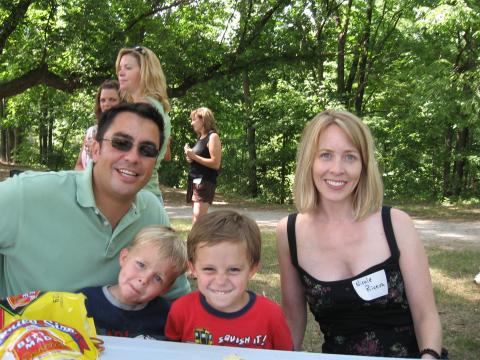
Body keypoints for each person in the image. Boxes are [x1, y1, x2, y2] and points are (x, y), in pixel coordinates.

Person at [276, 110, 444, 358]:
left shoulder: (396, 224)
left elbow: (425, 314)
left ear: (364, 165)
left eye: (350, 157)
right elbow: (293, 318)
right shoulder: (289, 233)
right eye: (325, 155)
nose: (337, 169)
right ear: (309, 161)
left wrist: (429, 356)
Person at [0, 103, 190, 301]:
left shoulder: (152, 213)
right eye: (121, 143)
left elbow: (176, 301)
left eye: (147, 150)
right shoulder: (26, 194)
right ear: (96, 149)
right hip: (25, 329)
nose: (133, 157)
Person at [165, 210, 293, 351]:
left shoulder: (271, 315)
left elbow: (287, 356)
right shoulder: (181, 311)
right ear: (193, 268)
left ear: (252, 269)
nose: (221, 281)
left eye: (233, 270)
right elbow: (169, 353)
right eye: (209, 269)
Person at [80, 225, 187, 339]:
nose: (144, 280)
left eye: (157, 278)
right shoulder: (84, 302)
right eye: (141, 265)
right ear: (124, 258)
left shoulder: (165, 315)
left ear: (165, 288)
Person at [116, 46, 172, 204]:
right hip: (146, 194)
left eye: (128, 68)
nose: (120, 72)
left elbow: (133, 157)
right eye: (120, 68)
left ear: (145, 72)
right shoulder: (152, 104)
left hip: (139, 197)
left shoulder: (146, 107)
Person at [184, 107, 221, 223]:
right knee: (198, 220)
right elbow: (201, 159)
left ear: (203, 120)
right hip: (195, 181)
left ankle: (198, 241)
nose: (192, 122)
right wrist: (190, 158)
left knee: (197, 222)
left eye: (194, 119)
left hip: (204, 183)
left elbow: (216, 164)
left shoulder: (213, 137)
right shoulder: (201, 138)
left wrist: (194, 157)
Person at [75, 80, 121, 171]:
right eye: (103, 100)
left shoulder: (124, 134)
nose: (106, 104)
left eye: (112, 100)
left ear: (122, 102)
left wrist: (96, 154)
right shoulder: (91, 132)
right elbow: (79, 164)